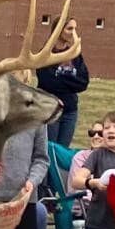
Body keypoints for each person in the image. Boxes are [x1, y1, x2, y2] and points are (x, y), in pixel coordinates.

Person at [36, 16, 89, 146]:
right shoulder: (45, 53)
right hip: (52, 111)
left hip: (70, 111)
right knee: (50, 150)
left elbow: (83, 82)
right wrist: (71, 81)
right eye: (69, 28)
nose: (73, 33)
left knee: (63, 151)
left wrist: (60, 79)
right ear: (59, 29)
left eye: (75, 29)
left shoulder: (74, 53)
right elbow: (48, 82)